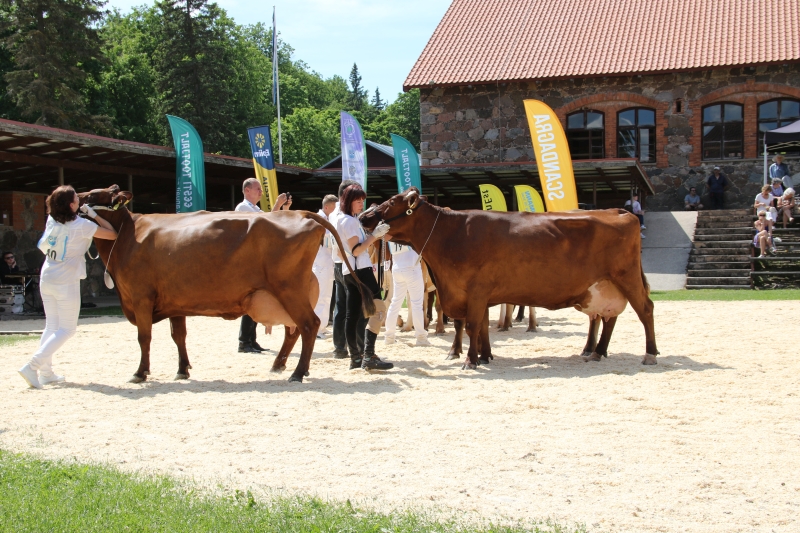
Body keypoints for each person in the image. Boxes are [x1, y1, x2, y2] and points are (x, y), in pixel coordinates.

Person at [17, 185, 117, 389]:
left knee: (52, 326)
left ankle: (46, 373)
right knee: (67, 329)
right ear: (71, 205)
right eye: (76, 200)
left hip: (48, 275)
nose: (79, 201)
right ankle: (32, 366)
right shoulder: (82, 225)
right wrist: (94, 215)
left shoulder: (51, 219)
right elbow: (112, 234)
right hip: (66, 279)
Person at [336, 184, 392, 371]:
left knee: (352, 315)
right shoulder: (350, 221)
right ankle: (368, 354)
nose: (361, 203)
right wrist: (375, 236)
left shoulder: (345, 219)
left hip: (349, 271)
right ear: (348, 201)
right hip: (360, 269)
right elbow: (356, 250)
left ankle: (356, 358)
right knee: (378, 309)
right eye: (357, 200)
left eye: (362, 200)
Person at [234, 178, 290, 353]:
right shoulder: (242, 208)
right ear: (247, 190)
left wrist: (283, 208)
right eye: (257, 189)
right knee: (250, 299)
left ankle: (251, 339)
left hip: (256, 259)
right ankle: (244, 341)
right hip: (248, 260)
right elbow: (264, 224)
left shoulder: (256, 209)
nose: (261, 192)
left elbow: (270, 223)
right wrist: (277, 205)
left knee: (256, 299)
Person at [329, 179, 359, 359]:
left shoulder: (334, 214)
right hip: (348, 262)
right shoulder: (345, 216)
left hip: (338, 262)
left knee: (341, 307)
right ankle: (353, 347)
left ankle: (340, 347)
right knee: (351, 308)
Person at [383, 240, 431, 347]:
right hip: (412, 267)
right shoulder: (408, 232)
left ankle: (389, 337)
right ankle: (421, 338)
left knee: (395, 303)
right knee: (417, 304)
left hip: (397, 268)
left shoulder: (390, 234)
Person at [311, 195, 337, 338]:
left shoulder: (328, 220)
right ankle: (316, 328)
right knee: (320, 296)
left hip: (328, 261)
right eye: (334, 208)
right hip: (320, 262)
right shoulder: (318, 220)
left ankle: (322, 326)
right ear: (326, 207)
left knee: (327, 296)